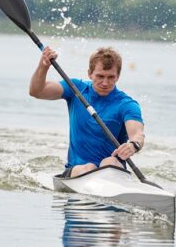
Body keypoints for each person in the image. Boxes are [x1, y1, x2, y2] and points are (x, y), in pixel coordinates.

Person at [29, 46, 145, 177]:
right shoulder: (76, 89)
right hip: (77, 170)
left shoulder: (126, 104)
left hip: (112, 170)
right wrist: (43, 66)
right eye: (100, 76)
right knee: (89, 168)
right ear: (89, 73)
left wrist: (133, 145)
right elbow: (36, 91)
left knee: (110, 162)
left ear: (117, 76)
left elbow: (137, 134)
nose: (105, 82)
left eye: (111, 77)